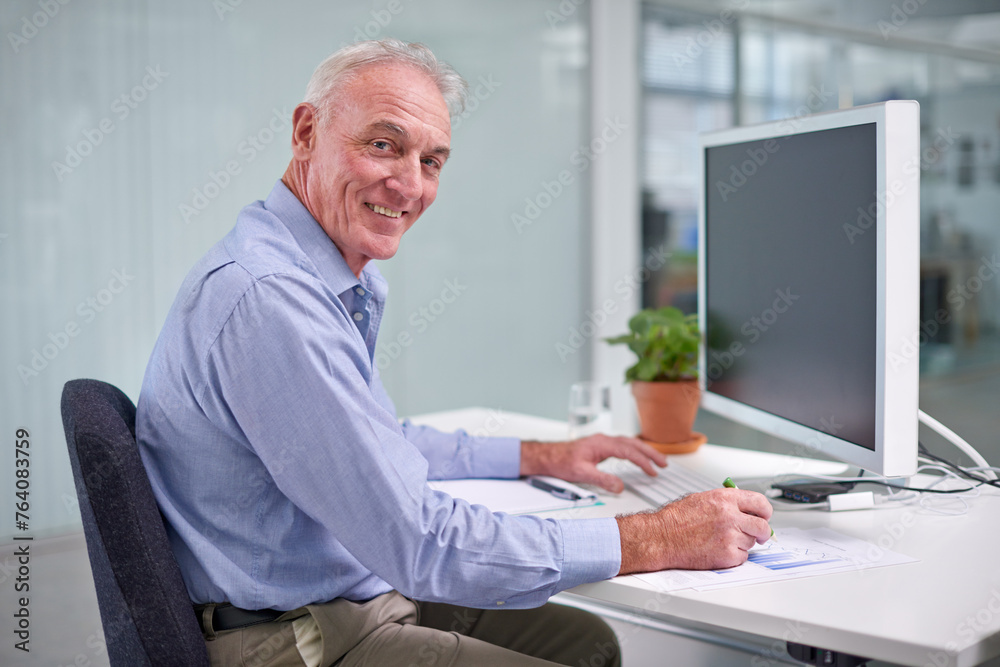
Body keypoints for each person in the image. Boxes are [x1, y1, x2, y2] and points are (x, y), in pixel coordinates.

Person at [136, 38, 773, 667]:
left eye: (432, 161)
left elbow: (373, 442)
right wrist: (657, 536)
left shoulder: (315, 272)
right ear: (306, 132)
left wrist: (543, 456)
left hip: (353, 599)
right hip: (293, 640)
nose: (409, 184)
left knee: (588, 643)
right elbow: (422, 543)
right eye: (383, 145)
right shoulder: (271, 300)